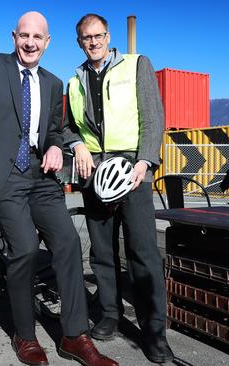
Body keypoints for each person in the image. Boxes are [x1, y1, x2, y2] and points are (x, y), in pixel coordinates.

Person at [0, 11, 117, 366]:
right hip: (3, 177)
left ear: (47, 42)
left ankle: (74, 336)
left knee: (68, 244)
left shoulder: (54, 84)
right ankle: (25, 335)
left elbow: (55, 130)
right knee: (23, 249)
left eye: (38, 37)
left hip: (41, 177)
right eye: (24, 35)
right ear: (14, 36)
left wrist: (56, 146)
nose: (30, 43)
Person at [63, 14, 173, 364]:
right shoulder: (74, 80)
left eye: (98, 36)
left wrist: (145, 163)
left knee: (142, 251)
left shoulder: (136, 65)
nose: (93, 42)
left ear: (108, 36)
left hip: (132, 169)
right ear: (79, 41)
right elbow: (67, 128)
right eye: (86, 38)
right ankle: (110, 314)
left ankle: (154, 332)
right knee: (101, 250)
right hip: (95, 172)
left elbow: (152, 117)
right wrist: (77, 145)